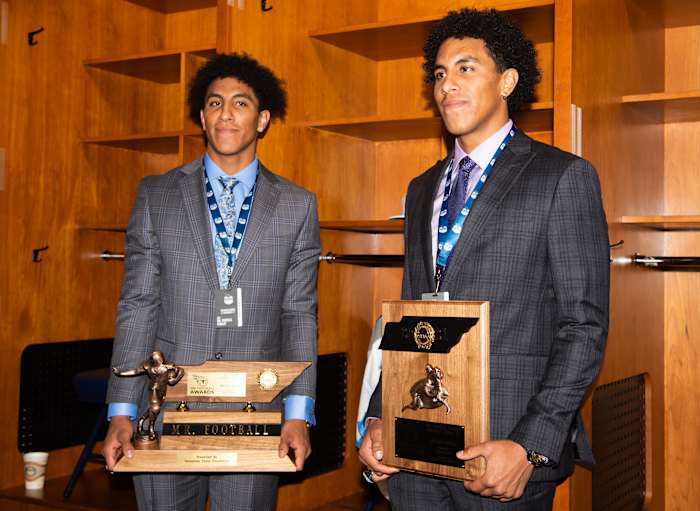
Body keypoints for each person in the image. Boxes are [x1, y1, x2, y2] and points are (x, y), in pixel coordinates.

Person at [359, 8, 609, 510]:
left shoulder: (561, 177)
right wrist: (380, 415)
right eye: (439, 73)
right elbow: (410, 316)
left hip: (504, 454)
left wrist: (529, 447)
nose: (448, 84)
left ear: (508, 81)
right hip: (417, 448)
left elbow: (583, 327)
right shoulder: (421, 188)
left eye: (466, 68)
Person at [103, 53, 320, 511]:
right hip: (161, 415)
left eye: (240, 103)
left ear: (262, 120)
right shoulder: (156, 195)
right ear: (202, 116)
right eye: (215, 102)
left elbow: (298, 314)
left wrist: (298, 414)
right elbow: (138, 303)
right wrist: (121, 411)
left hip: (255, 416)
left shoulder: (297, 206)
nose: (226, 113)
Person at [112, 351, 184, 441]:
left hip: (162, 391)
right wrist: (120, 373)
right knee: (156, 409)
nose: (159, 361)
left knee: (153, 409)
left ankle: (141, 422)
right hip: (154, 389)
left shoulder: (167, 366)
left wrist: (176, 377)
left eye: (160, 359)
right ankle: (151, 429)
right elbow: (135, 371)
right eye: (156, 359)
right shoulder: (148, 367)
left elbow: (177, 375)